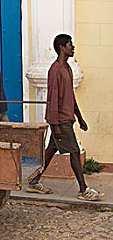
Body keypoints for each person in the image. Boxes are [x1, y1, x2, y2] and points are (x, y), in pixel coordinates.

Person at [27, 33, 104, 201]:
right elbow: (52, 99)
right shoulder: (55, 70)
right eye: (70, 44)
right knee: (75, 152)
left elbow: (70, 97)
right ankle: (83, 190)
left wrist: (80, 117)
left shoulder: (67, 68)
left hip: (66, 119)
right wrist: (54, 125)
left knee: (51, 150)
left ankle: (33, 180)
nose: (73, 47)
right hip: (60, 121)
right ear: (62, 47)